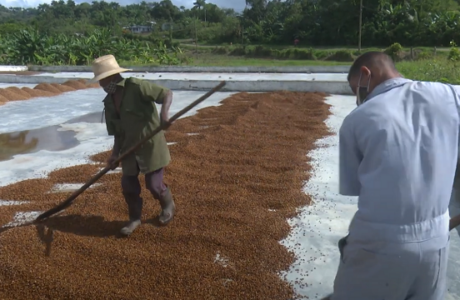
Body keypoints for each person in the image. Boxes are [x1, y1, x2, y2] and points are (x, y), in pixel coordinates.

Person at [332, 51, 460, 299]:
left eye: (355, 88)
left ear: (366, 74)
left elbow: (355, 186)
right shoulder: (452, 95)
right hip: (437, 240)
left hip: (379, 243)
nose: (357, 97)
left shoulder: (357, 119)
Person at [91, 54, 176, 236]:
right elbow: (117, 132)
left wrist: (164, 116)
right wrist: (114, 154)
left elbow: (166, 94)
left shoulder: (137, 87)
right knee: (128, 186)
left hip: (150, 145)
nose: (100, 85)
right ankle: (134, 219)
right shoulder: (109, 102)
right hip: (128, 149)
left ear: (111, 77)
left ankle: (168, 205)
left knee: (154, 185)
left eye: (102, 80)